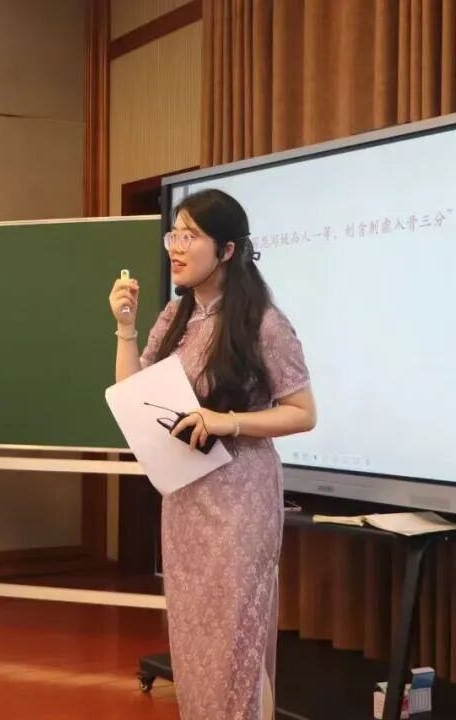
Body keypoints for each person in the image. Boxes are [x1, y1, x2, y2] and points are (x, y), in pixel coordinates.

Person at [109, 189, 316, 719]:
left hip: (241, 498)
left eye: (190, 236)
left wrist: (229, 421)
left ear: (226, 250)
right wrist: (126, 328)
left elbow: (302, 413)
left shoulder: (263, 322)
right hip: (185, 497)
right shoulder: (175, 316)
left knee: (233, 641)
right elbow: (134, 395)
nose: (175, 248)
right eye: (173, 235)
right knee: (193, 638)